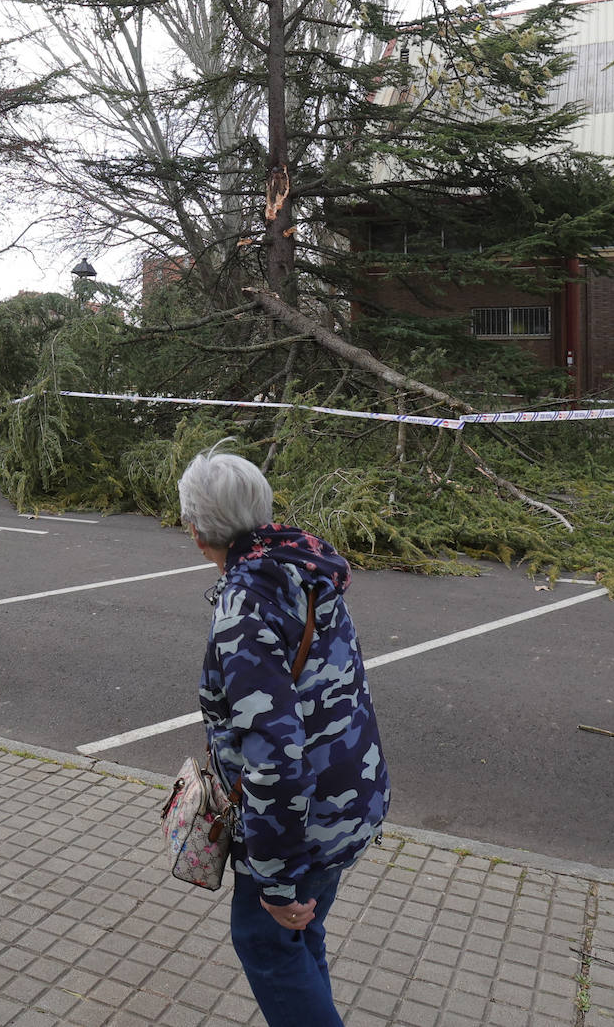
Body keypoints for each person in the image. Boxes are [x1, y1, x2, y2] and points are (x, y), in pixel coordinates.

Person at [177, 440, 389, 1027]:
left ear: (198, 532)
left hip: (305, 819)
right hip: (353, 794)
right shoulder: (305, 567)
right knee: (299, 931)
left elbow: (274, 757)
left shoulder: (247, 603)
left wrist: (273, 878)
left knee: (265, 937)